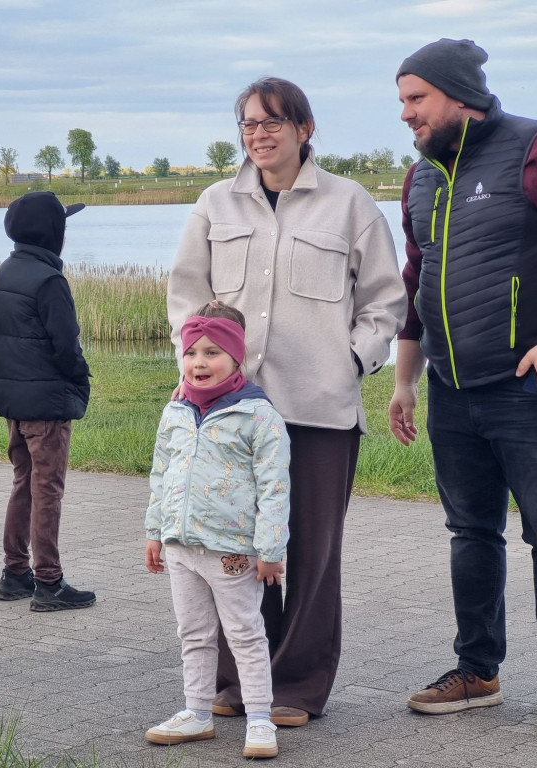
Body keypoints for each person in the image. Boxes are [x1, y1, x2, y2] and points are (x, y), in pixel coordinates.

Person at [389, 39, 537, 735]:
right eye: (401, 101)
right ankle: (477, 671)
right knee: (470, 531)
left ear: (458, 95)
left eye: (416, 99)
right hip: (451, 391)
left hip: (527, 388)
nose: (406, 115)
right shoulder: (421, 177)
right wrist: (405, 380)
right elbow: (417, 283)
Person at [167, 77, 407, 725]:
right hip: (230, 413)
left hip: (320, 411)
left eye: (274, 122)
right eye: (248, 124)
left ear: (305, 128)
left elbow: (385, 301)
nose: (260, 134)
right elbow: (186, 294)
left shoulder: (350, 204)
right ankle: (234, 680)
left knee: (309, 552)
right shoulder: (215, 204)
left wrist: (353, 361)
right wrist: (197, 367)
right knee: (228, 546)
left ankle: (297, 686)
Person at [145, 302, 289, 759]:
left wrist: (270, 548)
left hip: (233, 553)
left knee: (246, 633)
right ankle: (197, 713)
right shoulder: (176, 411)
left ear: (236, 356)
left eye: (212, 352)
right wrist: (155, 531)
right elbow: (160, 473)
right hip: (181, 547)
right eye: (191, 353)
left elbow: (275, 486)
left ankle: (261, 719)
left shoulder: (258, 416)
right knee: (194, 633)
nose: (199, 363)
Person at [0, 191, 96, 612]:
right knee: (48, 489)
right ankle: (49, 582)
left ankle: (15, 573)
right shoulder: (49, 281)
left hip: (13, 401)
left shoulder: (8, 269)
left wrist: (17, 343)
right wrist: (80, 379)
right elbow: (66, 347)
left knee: (25, 482)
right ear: (55, 234)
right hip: (46, 403)